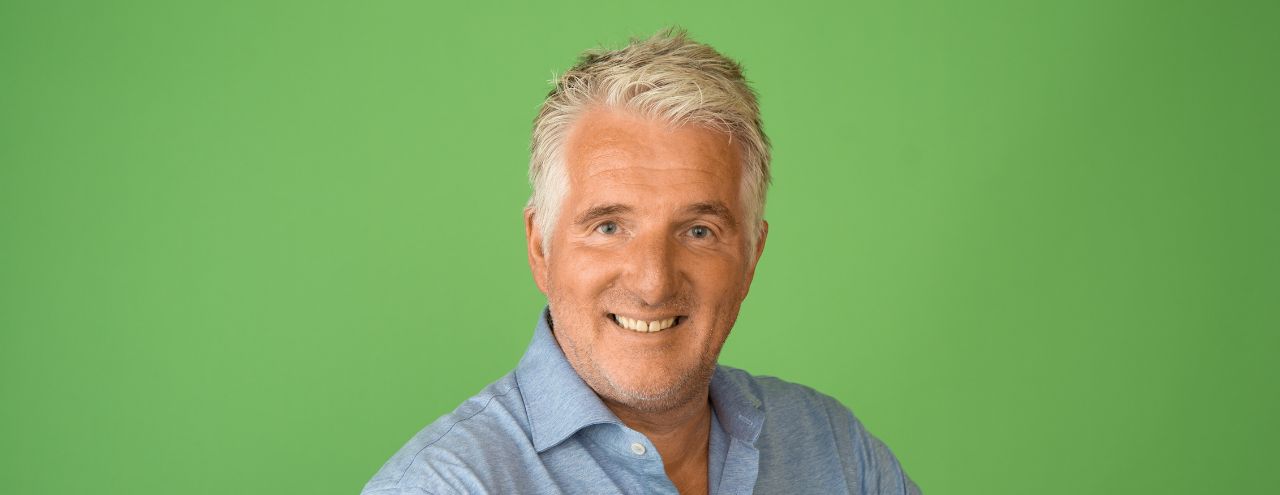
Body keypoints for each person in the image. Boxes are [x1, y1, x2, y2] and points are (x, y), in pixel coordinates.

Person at [361, 27, 920, 495]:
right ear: (540, 247)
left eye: (699, 231)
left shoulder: (837, 451)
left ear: (752, 256)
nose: (653, 283)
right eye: (609, 227)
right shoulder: (447, 485)